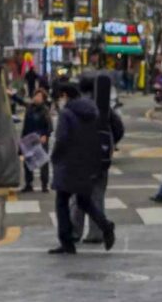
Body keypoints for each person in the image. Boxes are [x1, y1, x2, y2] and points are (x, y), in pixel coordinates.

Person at [47, 82, 115, 255]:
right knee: (84, 200)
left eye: (59, 97)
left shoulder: (67, 114)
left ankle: (67, 241)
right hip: (87, 162)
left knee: (62, 201)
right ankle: (105, 226)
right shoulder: (92, 111)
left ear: (64, 95)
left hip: (68, 163)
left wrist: (54, 157)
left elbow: (62, 139)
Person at [72, 74, 125, 243]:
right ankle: (96, 233)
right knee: (97, 196)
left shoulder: (77, 107)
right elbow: (119, 128)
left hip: (82, 159)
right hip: (101, 160)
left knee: (77, 197)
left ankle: (75, 231)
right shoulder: (103, 108)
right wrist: (109, 145)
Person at [20, 87, 53, 193]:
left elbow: (49, 125)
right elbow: (21, 102)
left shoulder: (45, 110)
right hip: (29, 138)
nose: (37, 98)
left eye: (40, 96)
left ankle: (44, 184)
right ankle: (28, 184)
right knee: (28, 161)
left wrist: (45, 135)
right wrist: (11, 95)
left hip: (40, 138)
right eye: (36, 96)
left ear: (43, 99)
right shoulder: (30, 107)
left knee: (43, 161)